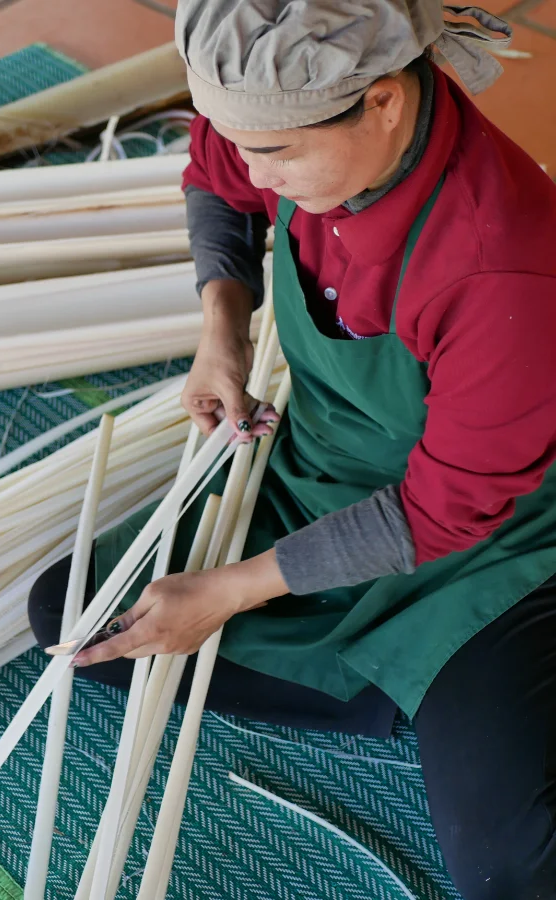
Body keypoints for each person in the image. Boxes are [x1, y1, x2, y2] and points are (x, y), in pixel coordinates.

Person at [28, 1, 556, 896]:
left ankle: (456, 684)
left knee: (510, 870)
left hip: (487, 546)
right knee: (74, 614)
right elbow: (217, 177)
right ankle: (432, 701)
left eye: (274, 154)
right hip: (319, 476)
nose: (254, 168)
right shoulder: (277, 109)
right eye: (244, 141)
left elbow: (447, 508)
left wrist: (230, 591)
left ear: (384, 100)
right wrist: (223, 331)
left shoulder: (504, 264)